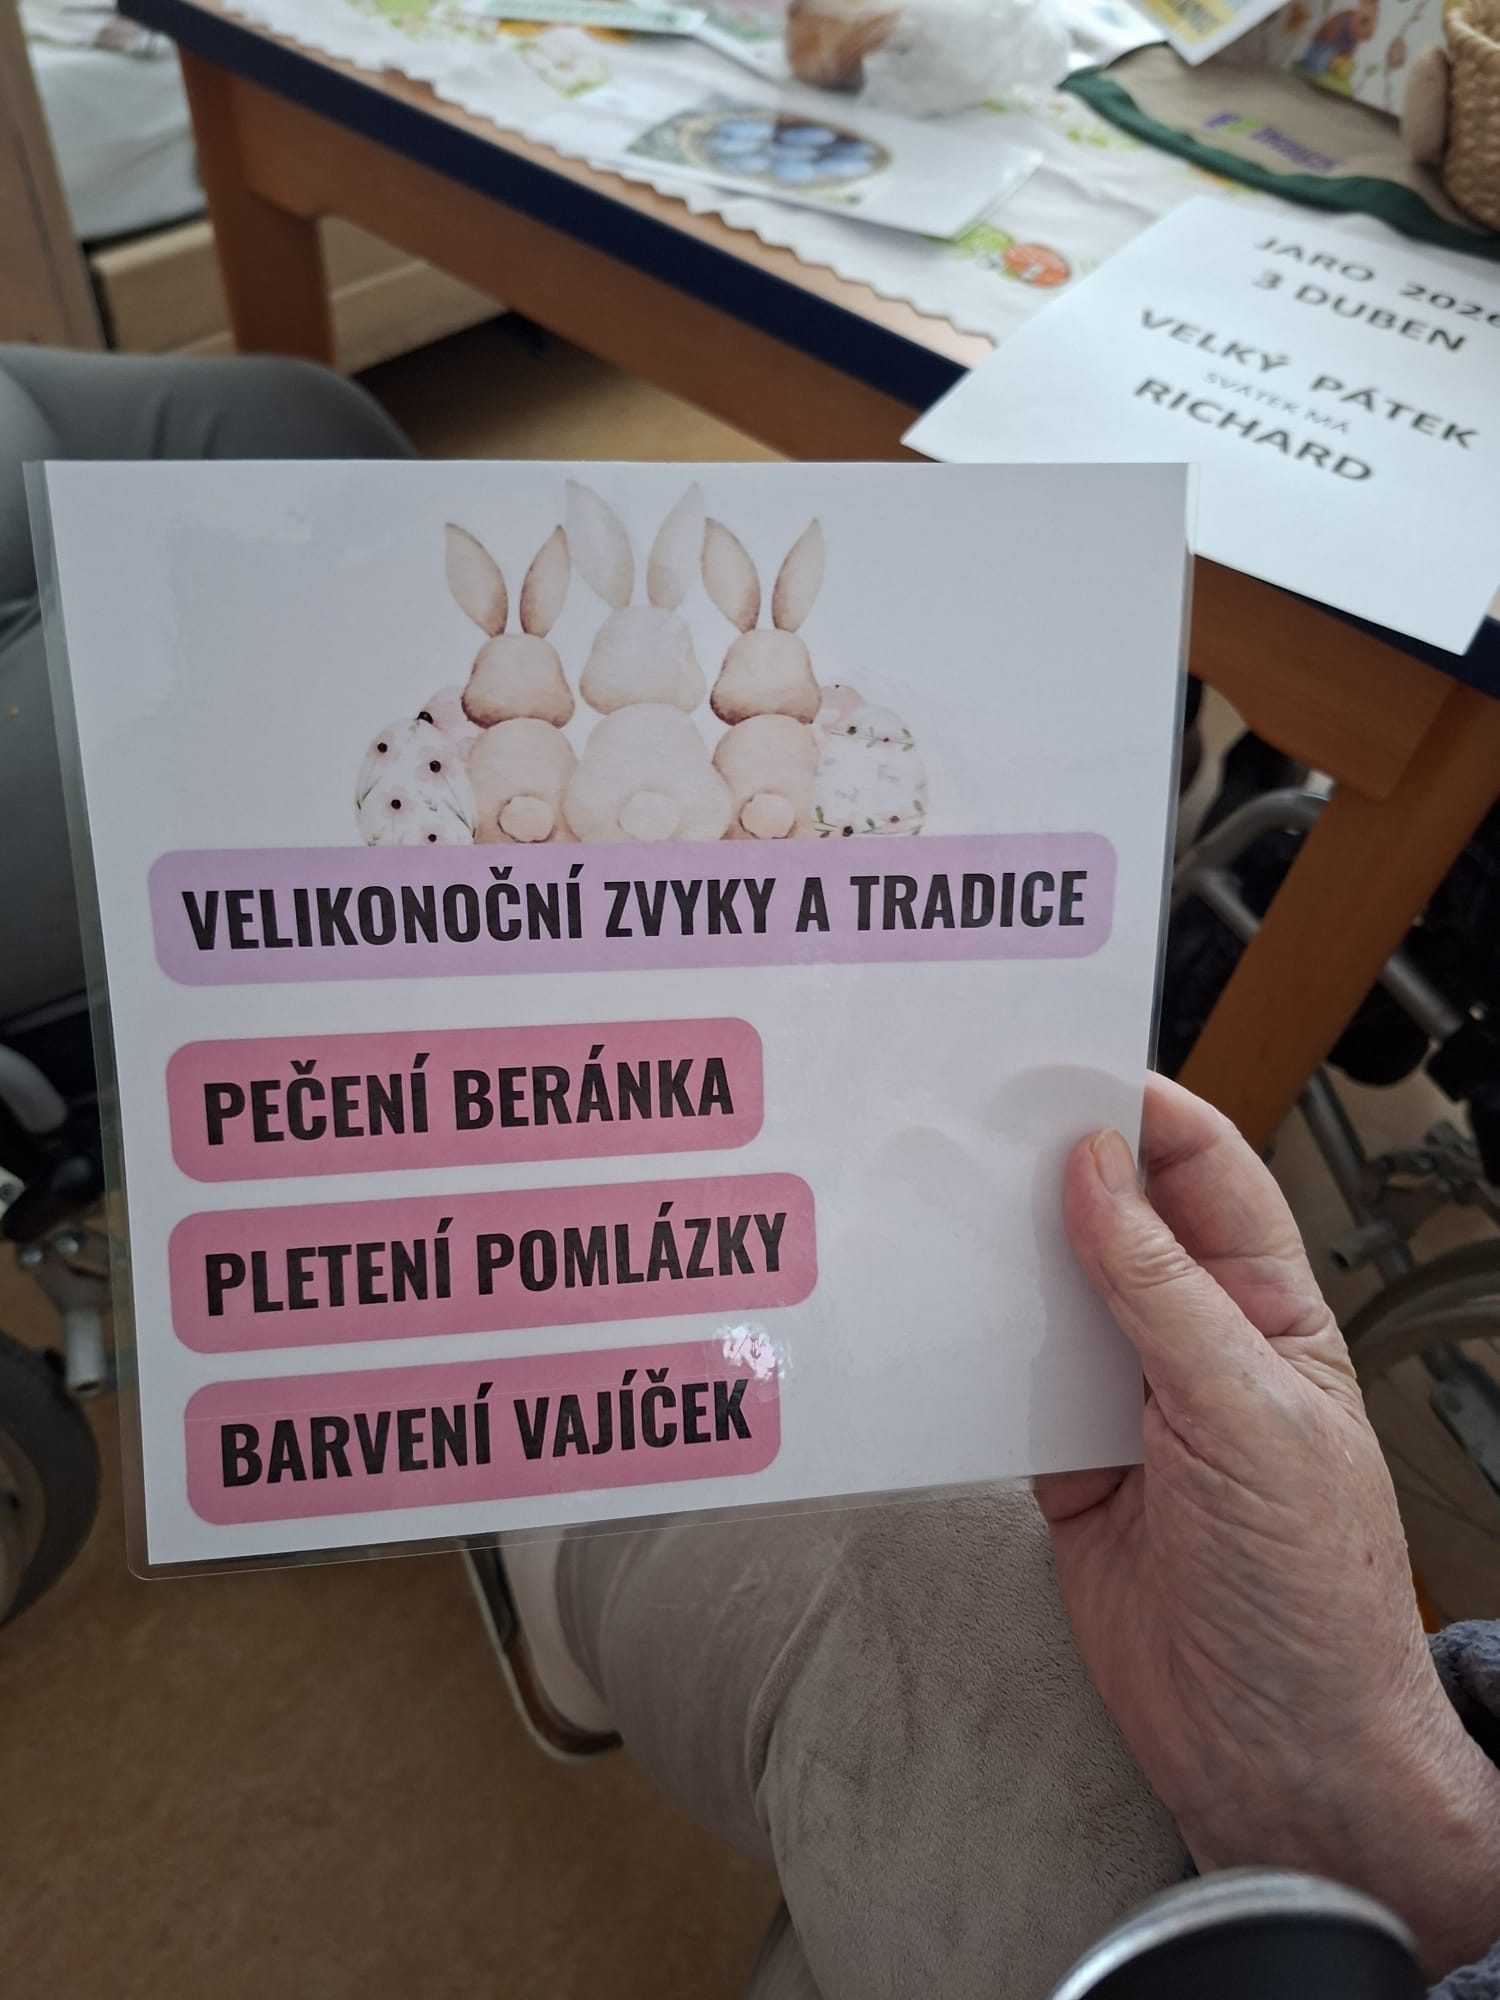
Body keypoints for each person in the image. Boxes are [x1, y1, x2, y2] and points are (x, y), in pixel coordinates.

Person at [484, 1075, 1500, 1999]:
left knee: (834, 1523)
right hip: (1388, 1907)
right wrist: (1358, 1777)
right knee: (957, 1544)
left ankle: (558, 1556)